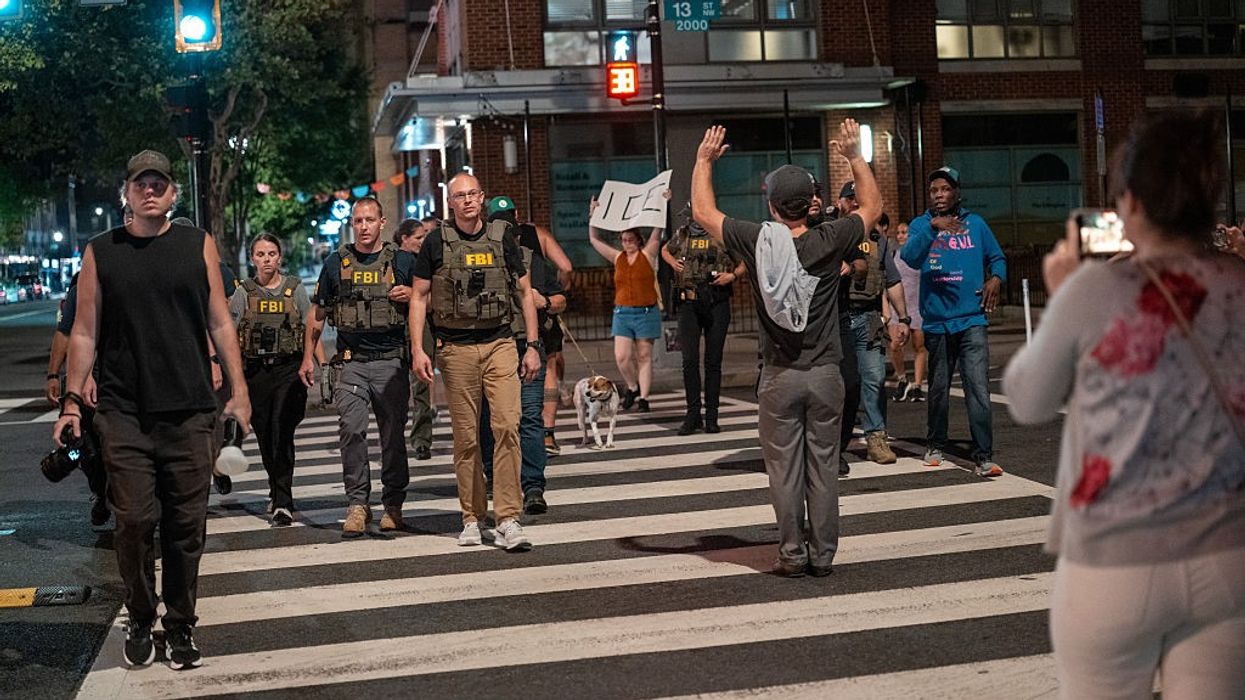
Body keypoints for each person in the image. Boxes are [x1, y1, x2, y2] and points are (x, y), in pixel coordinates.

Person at [1003, 111, 1245, 699]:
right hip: (1228, 556)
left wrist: (1064, 295)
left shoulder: (1096, 288)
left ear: (1130, 204)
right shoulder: (1240, 284)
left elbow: (1028, 399)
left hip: (1114, 557)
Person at [52, 149, 251, 670]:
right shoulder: (101, 252)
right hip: (122, 412)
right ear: (127, 193)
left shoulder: (196, 245)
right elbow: (84, 330)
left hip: (189, 411)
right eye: (140, 182)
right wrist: (72, 400)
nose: (149, 190)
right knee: (135, 521)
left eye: (158, 182)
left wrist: (239, 390)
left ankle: (180, 624)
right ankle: (141, 613)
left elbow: (221, 323)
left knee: (187, 528)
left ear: (171, 192)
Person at [692, 119, 879, 578]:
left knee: (784, 472)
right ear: (809, 205)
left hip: (778, 374)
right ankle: (823, 555)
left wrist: (703, 160)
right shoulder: (830, 238)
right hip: (826, 372)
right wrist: (855, 155)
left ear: (773, 205)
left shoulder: (758, 240)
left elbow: (702, 210)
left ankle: (792, 553)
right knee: (824, 467)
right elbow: (872, 207)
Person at [409, 174, 543, 551]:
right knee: (466, 438)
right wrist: (419, 350)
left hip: (500, 342)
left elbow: (524, 292)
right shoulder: (436, 241)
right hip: (455, 349)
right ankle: (471, 517)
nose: (467, 201)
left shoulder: (502, 237)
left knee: (506, 427)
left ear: (482, 198)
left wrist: (531, 345)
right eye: (459, 196)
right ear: (449, 203)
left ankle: (508, 518)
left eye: (472, 194)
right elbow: (419, 297)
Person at [299, 198, 415, 538]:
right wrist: (309, 356)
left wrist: (411, 293)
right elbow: (318, 314)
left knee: (393, 437)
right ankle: (357, 504)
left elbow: (429, 298)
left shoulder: (403, 261)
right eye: (358, 220)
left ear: (382, 222)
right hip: (351, 363)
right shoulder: (336, 263)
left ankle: (393, 504)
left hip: (392, 361)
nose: (363, 226)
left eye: (369, 220)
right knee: (351, 431)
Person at [900, 166, 1007, 477]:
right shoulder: (922, 225)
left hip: (972, 319)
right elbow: (909, 257)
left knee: (977, 388)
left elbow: (997, 257)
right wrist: (933, 227)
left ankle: (983, 455)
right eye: (934, 190)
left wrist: (996, 279)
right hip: (937, 323)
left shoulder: (975, 224)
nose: (939, 195)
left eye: (945, 189)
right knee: (939, 388)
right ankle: (935, 444)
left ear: (957, 192)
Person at [479, 195, 569, 514]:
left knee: (530, 416)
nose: (506, 229)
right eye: (498, 223)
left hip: (525, 346)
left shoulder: (531, 258)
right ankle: (493, 477)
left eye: (509, 223)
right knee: (490, 419)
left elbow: (560, 300)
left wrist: (542, 300)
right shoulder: (479, 259)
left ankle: (533, 486)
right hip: (490, 347)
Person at [229, 233, 316, 526]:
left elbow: (310, 326)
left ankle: (283, 501)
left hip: (288, 370)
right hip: (256, 372)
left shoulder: (294, 289)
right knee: (266, 434)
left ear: (280, 257)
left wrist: (317, 362)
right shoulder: (244, 292)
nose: (266, 259)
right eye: (260, 254)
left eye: (271, 254)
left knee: (282, 430)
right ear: (253, 258)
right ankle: (275, 487)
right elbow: (227, 328)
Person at [835, 188, 912, 465]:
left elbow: (891, 280)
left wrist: (903, 318)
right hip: (838, 319)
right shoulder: (832, 233)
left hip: (868, 317)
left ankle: (876, 437)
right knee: (844, 383)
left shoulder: (878, 241)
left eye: (860, 199)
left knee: (874, 378)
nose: (856, 203)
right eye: (850, 198)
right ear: (841, 203)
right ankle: (837, 441)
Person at [661, 213, 745, 435]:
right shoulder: (682, 233)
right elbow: (664, 250)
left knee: (713, 361)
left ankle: (712, 417)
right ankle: (693, 415)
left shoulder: (722, 234)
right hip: (688, 303)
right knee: (689, 360)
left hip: (717, 301)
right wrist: (672, 263)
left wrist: (732, 276)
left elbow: (744, 261)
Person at [588, 197, 667, 412]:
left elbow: (657, 232)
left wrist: (662, 204)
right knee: (622, 357)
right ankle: (632, 386)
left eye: (631, 239)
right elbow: (594, 240)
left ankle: (643, 397)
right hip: (622, 312)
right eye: (624, 240)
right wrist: (593, 215)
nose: (627, 243)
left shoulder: (647, 254)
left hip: (645, 311)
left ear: (638, 240)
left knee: (644, 356)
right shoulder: (617, 257)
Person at [45, 273, 110, 529]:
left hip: (131, 382)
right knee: (84, 449)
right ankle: (101, 493)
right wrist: (54, 374)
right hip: (90, 384)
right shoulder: (83, 285)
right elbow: (67, 333)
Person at [394, 217, 437, 461]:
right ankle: (400, 437)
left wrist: (413, 295)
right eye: (419, 237)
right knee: (398, 386)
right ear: (405, 238)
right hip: (397, 328)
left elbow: (431, 298)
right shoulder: (392, 259)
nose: (423, 241)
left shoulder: (424, 260)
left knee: (422, 383)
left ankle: (421, 439)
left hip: (422, 327)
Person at [887, 222, 927, 402]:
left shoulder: (920, 257)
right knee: (895, 345)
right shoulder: (894, 255)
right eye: (899, 233)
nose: (901, 236)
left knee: (919, 346)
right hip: (898, 309)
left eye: (905, 233)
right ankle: (902, 378)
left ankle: (917, 385)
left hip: (917, 306)